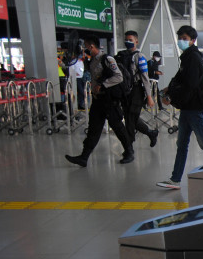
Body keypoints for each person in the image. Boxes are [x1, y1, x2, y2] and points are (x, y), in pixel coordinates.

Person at [156, 25, 203, 190]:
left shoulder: (192, 58)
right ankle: (175, 179)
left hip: (193, 107)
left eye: (185, 39)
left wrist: (173, 98)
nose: (181, 41)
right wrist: (169, 90)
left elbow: (190, 85)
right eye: (180, 38)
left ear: (192, 40)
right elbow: (180, 80)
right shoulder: (187, 57)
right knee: (182, 143)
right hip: (187, 108)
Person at [65, 35, 134, 167]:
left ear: (92, 46)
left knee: (118, 127)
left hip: (109, 100)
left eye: (86, 46)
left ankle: (129, 151)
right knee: (94, 129)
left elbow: (118, 77)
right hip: (98, 100)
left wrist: (103, 85)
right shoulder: (92, 61)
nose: (84, 48)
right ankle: (84, 157)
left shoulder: (107, 59)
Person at [117, 30, 159, 148]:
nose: (128, 42)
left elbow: (145, 77)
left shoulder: (139, 57)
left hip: (136, 91)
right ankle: (151, 133)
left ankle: (129, 148)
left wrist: (149, 96)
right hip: (125, 91)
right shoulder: (121, 56)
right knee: (131, 118)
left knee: (130, 119)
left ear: (136, 41)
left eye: (130, 40)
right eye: (126, 40)